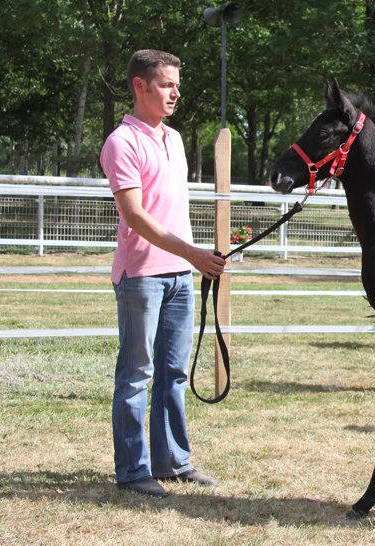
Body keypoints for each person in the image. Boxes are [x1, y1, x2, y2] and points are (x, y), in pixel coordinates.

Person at [100, 49, 226, 497]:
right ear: (140, 85)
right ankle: (133, 471)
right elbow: (135, 215)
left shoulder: (173, 138)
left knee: (173, 372)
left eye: (177, 85)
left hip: (179, 275)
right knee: (137, 373)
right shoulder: (122, 142)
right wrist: (192, 253)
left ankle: (172, 461)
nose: (176, 93)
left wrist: (191, 258)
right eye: (167, 84)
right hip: (142, 275)